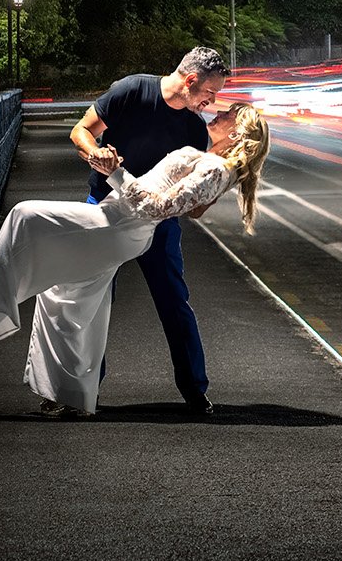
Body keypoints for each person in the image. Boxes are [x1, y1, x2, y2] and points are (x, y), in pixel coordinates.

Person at [0, 103, 270, 417]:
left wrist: (116, 173)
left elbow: (157, 209)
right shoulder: (214, 163)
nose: (219, 113)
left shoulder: (215, 168)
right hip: (119, 223)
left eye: (229, 114)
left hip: (119, 225)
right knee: (68, 297)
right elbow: (192, 207)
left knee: (24, 216)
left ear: (239, 133)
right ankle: (72, 396)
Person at [70, 46, 231, 414]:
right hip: (106, 209)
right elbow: (81, 130)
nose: (212, 101)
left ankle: (194, 390)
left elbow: (193, 206)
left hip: (158, 221)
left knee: (173, 299)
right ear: (191, 81)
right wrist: (96, 153)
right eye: (210, 93)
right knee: (94, 301)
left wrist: (217, 179)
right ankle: (85, 389)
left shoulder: (192, 127)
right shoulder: (131, 91)